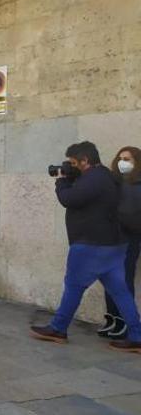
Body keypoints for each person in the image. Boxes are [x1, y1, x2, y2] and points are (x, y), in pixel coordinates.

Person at [30, 141, 141, 352]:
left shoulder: (95, 178)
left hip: (91, 245)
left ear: (85, 161)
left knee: (73, 286)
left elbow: (69, 199)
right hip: (112, 245)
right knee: (121, 292)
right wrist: (73, 176)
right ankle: (137, 336)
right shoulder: (104, 176)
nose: (71, 166)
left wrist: (61, 181)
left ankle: (58, 328)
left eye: (73, 163)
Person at [98, 146, 141, 340]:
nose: (123, 162)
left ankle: (125, 321)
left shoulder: (137, 185)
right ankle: (113, 317)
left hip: (129, 239)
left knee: (123, 281)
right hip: (110, 238)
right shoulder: (114, 183)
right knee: (109, 280)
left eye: (128, 159)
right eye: (121, 158)